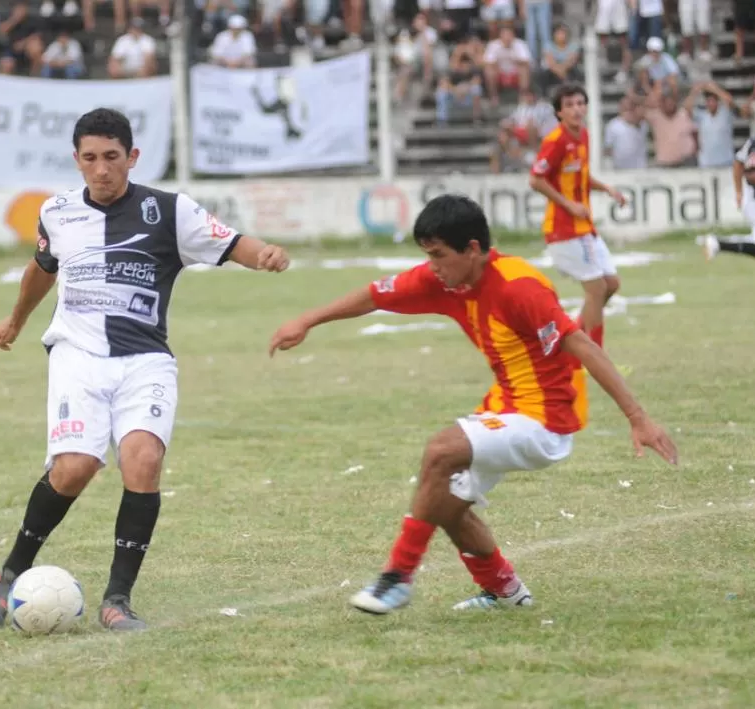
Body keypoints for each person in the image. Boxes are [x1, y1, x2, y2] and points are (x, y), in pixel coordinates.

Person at [269, 194, 678, 614]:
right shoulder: (443, 280)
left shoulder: (520, 287)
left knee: (441, 450)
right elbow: (375, 295)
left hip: (545, 421)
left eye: (439, 255)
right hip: (502, 410)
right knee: (445, 503)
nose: (432, 266)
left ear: (473, 249)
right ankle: (506, 593)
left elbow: (583, 346)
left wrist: (638, 418)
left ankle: (396, 578)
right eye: (427, 256)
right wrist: (307, 320)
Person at [0, 108, 290, 632]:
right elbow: (42, 269)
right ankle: (11, 572)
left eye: (112, 158)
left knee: (141, 461)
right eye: (91, 159)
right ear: (76, 160)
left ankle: (117, 600)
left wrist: (266, 256)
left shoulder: (169, 210)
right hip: (77, 356)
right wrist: (15, 319)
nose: (102, 170)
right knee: (73, 469)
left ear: (132, 157)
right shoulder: (57, 213)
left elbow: (233, 244)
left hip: (145, 360)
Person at [529, 83, 626, 352]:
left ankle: (570, 341)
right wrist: (569, 205)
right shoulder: (555, 140)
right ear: (559, 112)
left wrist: (606, 188)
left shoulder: (582, 135)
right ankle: (595, 355)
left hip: (584, 228)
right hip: (563, 230)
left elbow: (580, 176)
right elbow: (536, 179)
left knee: (611, 285)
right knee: (596, 289)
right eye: (569, 105)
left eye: (580, 103)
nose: (577, 109)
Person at [700, 123, 755, 261]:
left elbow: (738, 162)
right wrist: (739, 192)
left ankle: (719, 243)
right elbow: (750, 173)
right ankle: (718, 243)